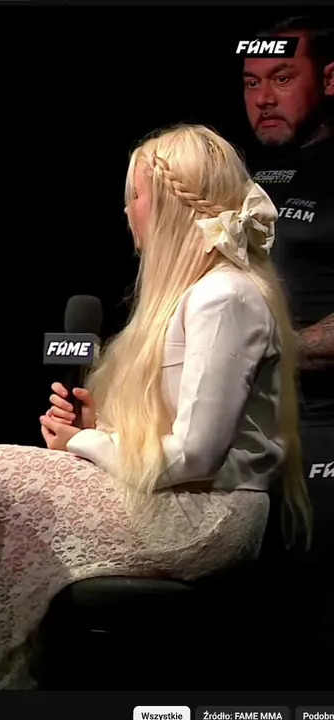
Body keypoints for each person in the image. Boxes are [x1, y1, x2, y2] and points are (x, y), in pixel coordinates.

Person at [0, 125, 313, 688]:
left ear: (170, 204)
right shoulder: (196, 293)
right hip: (182, 499)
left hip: (208, 515)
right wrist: (99, 428)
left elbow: (197, 456)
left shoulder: (223, 296)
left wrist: (84, 442)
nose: (126, 209)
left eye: (135, 195)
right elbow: (173, 430)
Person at [239, 14, 334, 678]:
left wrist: (273, 349)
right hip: (235, 429)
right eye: (251, 82)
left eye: (281, 77)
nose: (263, 98)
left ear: (328, 79)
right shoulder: (232, 175)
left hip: (322, 429)